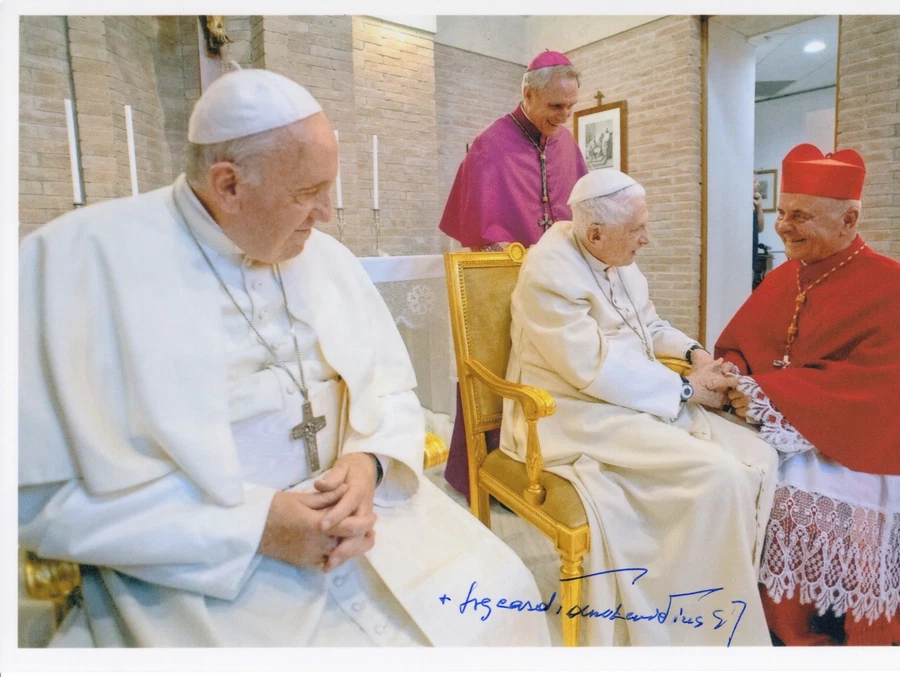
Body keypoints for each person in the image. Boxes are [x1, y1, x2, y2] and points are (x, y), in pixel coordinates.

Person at [18, 68, 550, 648]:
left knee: (506, 596)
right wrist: (252, 528)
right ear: (228, 185)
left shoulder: (327, 259)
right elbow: (41, 494)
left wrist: (369, 462)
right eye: (307, 193)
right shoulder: (73, 265)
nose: (326, 214)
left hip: (364, 517)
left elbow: (393, 390)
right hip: (197, 562)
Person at [498, 168, 779, 646]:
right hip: (569, 413)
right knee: (719, 476)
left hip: (635, 401)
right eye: (638, 229)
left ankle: (708, 611)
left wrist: (699, 356)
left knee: (760, 457)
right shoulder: (548, 274)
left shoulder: (615, 254)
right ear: (595, 233)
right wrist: (687, 391)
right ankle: (677, 626)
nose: (646, 239)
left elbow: (648, 326)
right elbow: (594, 366)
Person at [715, 144, 900, 646]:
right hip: (792, 425)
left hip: (858, 448)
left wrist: (765, 391)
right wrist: (735, 374)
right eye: (781, 212)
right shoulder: (789, 273)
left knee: (788, 497)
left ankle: (805, 633)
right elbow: (742, 344)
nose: (783, 226)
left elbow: (880, 386)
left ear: (849, 219)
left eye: (801, 216)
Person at [439, 50, 589, 501]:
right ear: (528, 94)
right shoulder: (490, 144)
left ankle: (545, 473)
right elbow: (474, 229)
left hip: (559, 287)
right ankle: (486, 476)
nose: (563, 118)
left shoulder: (567, 145)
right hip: (505, 287)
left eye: (570, 107)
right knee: (497, 374)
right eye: (555, 107)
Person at [751, 174, 767, 289]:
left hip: (753, 255)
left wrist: (759, 208)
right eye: (755, 181)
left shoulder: (754, 202)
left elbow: (760, 228)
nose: (758, 184)